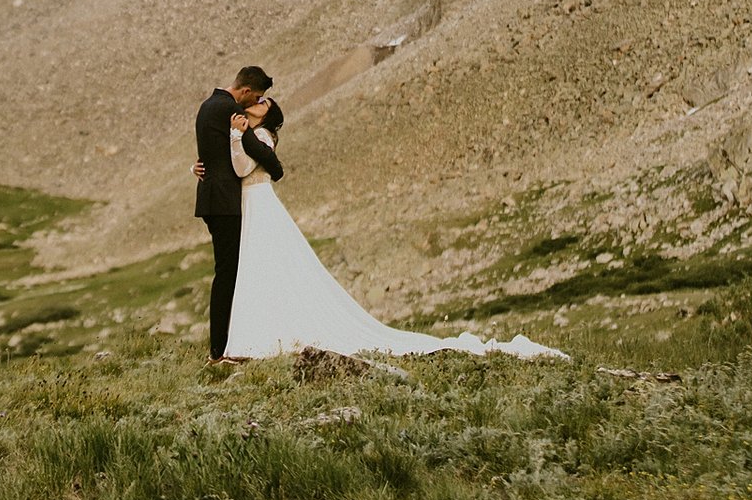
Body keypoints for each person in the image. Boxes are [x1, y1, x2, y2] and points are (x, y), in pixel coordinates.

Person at [220, 98, 568, 362]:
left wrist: (240, 136)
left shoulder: (262, 135)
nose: (255, 104)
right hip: (252, 204)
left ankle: (258, 338)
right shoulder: (251, 131)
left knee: (264, 266)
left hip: (261, 202)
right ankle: (255, 334)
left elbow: (243, 167)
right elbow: (236, 167)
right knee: (259, 269)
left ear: (268, 117)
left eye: (262, 103)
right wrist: (232, 140)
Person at [194, 66, 283, 364]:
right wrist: (277, 167)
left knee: (229, 272)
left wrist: (194, 168)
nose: (255, 103)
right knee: (228, 274)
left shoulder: (207, 106)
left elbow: (210, 154)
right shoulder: (231, 110)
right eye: (256, 97)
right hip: (225, 203)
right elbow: (254, 150)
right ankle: (219, 351)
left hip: (209, 198)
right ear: (246, 91)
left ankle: (230, 343)